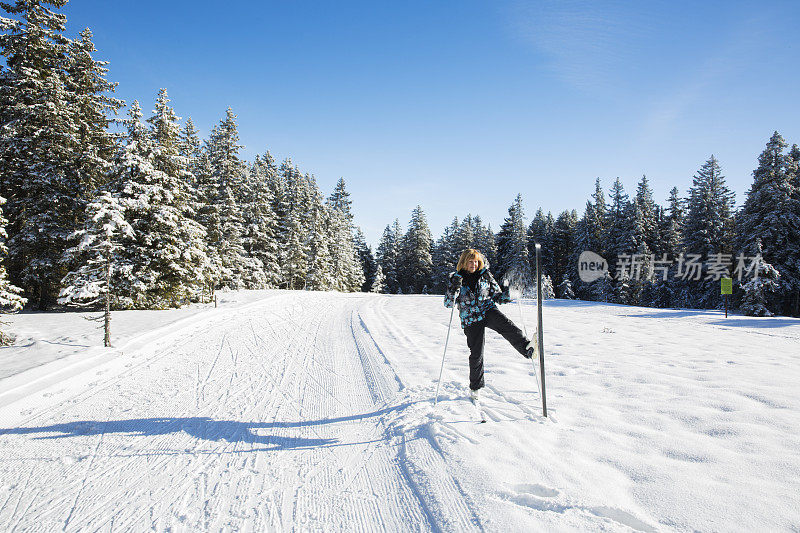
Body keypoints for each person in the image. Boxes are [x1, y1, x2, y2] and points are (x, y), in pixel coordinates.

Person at [444, 248, 535, 400]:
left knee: (508, 326)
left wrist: (508, 293)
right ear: (464, 262)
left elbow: (497, 295)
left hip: (487, 310)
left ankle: (527, 349)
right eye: (470, 261)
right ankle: (475, 388)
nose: (473, 264)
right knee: (477, 353)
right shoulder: (456, 278)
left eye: (475, 261)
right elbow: (448, 303)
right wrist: (454, 287)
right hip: (471, 318)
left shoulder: (485, 274)